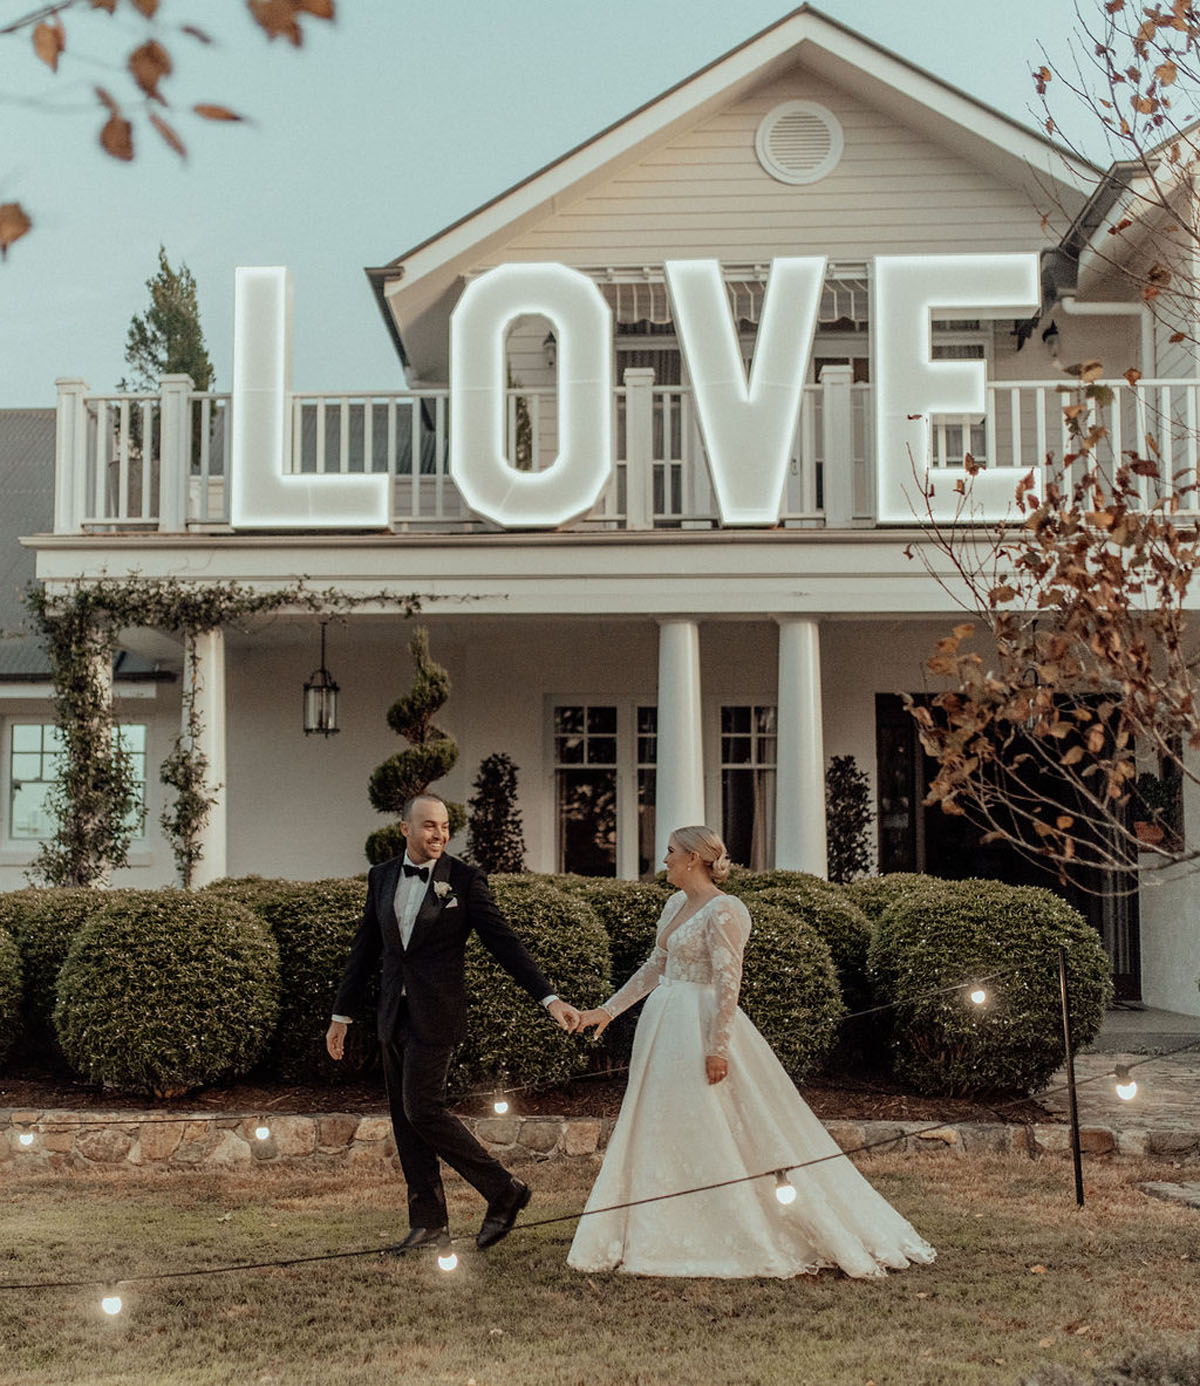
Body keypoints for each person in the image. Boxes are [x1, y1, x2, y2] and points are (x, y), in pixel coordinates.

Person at [568, 826, 936, 1279]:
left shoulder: (726, 910)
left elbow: (728, 982)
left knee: (722, 1120)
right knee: (665, 1119)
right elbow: (655, 966)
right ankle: (656, 1223)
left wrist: (717, 1047)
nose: (663, 860)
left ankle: (743, 1223)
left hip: (700, 1026)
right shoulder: (674, 905)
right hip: (663, 1027)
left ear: (694, 858)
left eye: (670, 852)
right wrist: (606, 1011)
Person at [326, 793, 580, 1252]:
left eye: (444, 826)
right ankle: (428, 1226)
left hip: (436, 1014)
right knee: (407, 1121)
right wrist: (340, 1015)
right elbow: (365, 948)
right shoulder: (382, 877)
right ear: (405, 829)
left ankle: (503, 1189)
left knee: (422, 1107)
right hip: (391, 1017)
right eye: (428, 826)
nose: (439, 834)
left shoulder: (463, 880)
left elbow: (503, 942)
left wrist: (549, 998)